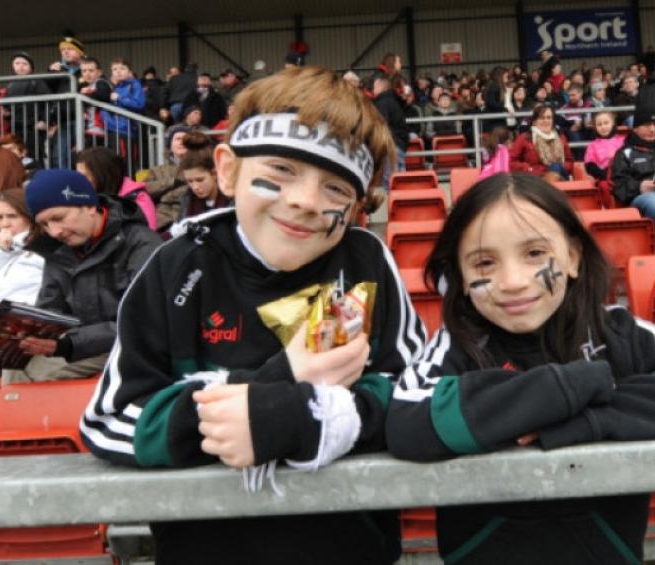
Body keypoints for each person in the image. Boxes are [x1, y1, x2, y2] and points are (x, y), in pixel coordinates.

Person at [79, 66, 426, 565]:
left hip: (350, 549)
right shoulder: (178, 264)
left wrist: (297, 418)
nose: (305, 200)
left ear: (355, 206)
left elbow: (416, 393)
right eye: (281, 170)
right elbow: (110, 419)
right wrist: (264, 389)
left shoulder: (365, 263)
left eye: (335, 188)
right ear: (226, 170)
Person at [386, 172, 655, 565]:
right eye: (484, 262)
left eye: (534, 254)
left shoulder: (615, 329)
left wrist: (593, 419)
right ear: (461, 278)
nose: (513, 282)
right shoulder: (453, 344)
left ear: (572, 256)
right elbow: (409, 419)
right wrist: (572, 387)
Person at [14, 169, 160, 382]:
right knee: (15, 368)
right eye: (45, 224)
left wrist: (69, 344)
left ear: (90, 206)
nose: (54, 231)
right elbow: (49, 310)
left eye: (58, 218)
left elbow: (142, 320)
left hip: (127, 347)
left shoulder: (142, 244)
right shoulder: (58, 250)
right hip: (77, 346)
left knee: (47, 380)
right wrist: (23, 332)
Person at [75, 147, 158, 230]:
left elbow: (148, 238)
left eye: (84, 176)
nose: (79, 181)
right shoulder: (87, 198)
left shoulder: (138, 201)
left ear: (101, 175)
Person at [0, 188, 44, 305]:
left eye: (12, 216)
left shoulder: (42, 249)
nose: (5, 224)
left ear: (29, 216)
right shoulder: (4, 249)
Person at [174, 132, 232, 222]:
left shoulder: (232, 199)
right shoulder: (188, 199)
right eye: (189, 181)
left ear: (214, 174)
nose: (195, 187)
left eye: (200, 180)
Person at [4, 51, 50, 162]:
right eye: (17, 63)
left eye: (24, 64)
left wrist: (44, 120)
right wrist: (7, 114)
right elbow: (7, 107)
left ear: (31, 68)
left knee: (34, 155)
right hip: (16, 127)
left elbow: (49, 102)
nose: (20, 66)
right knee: (17, 156)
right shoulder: (10, 84)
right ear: (13, 66)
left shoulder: (37, 81)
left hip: (33, 126)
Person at [47, 36, 86, 168]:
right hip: (62, 122)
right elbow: (47, 92)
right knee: (59, 157)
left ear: (80, 52)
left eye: (70, 49)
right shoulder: (58, 70)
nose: (65, 52)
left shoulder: (88, 69)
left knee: (83, 158)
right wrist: (51, 73)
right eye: (63, 49)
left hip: (85, 121)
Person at [509, 104, 573, 181]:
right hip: (534, 178)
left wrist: (560, 167)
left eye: (549, 118)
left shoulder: (561, 137)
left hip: (559, 177)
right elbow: (511, 162)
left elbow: (570, 161)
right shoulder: (525, 138)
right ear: (534, 121)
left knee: (555, 167)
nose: (546, 121)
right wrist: (528, 169)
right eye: (542, 118)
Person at [146, 125, 192, 232]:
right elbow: (145, 189)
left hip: (189, 215)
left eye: (185, 139)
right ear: (170, 146)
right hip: (162, 220)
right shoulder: (156, 170)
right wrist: (173, 181)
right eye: (177, 139)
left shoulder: (199, 167)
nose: (181, 142)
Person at [371, 70, 408, 189]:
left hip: (391, 147)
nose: (372, 89)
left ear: (381, 86)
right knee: (399, 182)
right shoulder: (393, 100)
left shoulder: (383, 102)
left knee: (391, 184)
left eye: (375, 85)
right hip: (399, 145)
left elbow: (381, 126)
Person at [102, 58, 146, 154]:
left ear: (129, 71)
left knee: (126, 160)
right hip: (112, 128)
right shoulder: (113, 87)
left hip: (126, 130)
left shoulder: (134, 84)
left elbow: (139, 104)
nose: (118, 71)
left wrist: (119, 98)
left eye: (122, 68)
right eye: (114, 69)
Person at [584, 111, 625, 206]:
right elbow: (590, 166)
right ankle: (610, 210)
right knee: (604, 186)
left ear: (613, 123)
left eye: (606, 123)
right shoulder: (592, 146)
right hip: (604, 177)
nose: (603, 127)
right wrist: (605, 174)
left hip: (622, 174)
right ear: (595, 127)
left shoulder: (623, 141)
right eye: (599, 124)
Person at [78, 56, 113, 144]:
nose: (87, 74)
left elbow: (103, 96)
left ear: (99, 72)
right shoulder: (86, 86)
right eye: (84, 71)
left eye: (91, 70)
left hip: (100, 129)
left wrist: (87, 94)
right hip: (90, 128)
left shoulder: (101, 82)